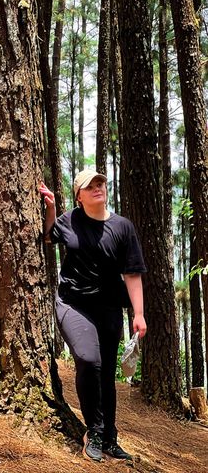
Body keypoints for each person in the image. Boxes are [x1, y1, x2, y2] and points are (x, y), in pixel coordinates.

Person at [39, 169, 147, 463]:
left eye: (100, 182)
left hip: (109, 309)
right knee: (89, 360)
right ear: (79, 195)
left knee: (106, 375)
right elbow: (49, 238)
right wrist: (50, 208)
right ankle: (94, 432)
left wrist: (138, 313)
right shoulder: (69, 220)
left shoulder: (122, 227)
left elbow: (132, 272)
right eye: (90, 185)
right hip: (72, 303)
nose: (98, 187)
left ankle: (110, 437)